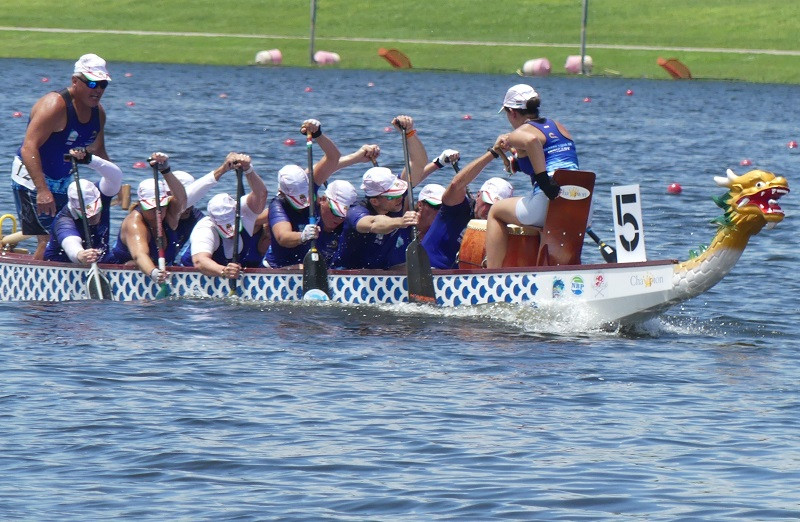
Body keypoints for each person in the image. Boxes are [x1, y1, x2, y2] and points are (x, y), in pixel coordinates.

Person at [11, 53, 112, 259]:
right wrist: (42, 190)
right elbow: (28, 148)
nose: (98, 90)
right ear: (75, 81)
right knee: (48, 238)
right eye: (92, 83)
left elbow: (99, 151)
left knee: (75, 234)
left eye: (103, 84)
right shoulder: (54, 106)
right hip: (31, 179)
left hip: (63, 181)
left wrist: (112, 185)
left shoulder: (98, 113)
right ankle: (34, 285)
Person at [485, 84, 578, 268]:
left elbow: (532, 141)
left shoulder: (519, 133)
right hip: (578, 201)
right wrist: (517, 162)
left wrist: (544, 181)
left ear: (512, 112)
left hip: (548, 201)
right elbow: (547, 155)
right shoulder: (558, 126)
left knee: (495, 212)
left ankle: (491, 275)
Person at [331, 115, 427, 270]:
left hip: (381, 272)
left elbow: (419, 163)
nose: (399, 198)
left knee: (423, 269)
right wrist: (401, 222)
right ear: (375, 201)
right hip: (348, 276)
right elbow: (373, 223)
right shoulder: (356, 212)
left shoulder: (395, 201)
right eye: (392, 195)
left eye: (399, 192)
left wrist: (409, 133)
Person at [420, 138, 514, 269]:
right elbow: (456, 185)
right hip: (425, 271)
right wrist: (493, 153)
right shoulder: (456, 208)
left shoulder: (501, 226)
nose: (489, 210)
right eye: (487, 202)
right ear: (478, 195)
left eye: (495, 207)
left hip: (459, 281)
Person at [263, 119, 344, 268]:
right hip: (281, 267)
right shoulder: (278, 204)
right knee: (303, 267)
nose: (303, 201)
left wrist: (318, 134)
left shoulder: (310, 184)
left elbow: (333, 157)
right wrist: (302, 236)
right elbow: (283, 237)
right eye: (296, 198)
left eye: (305, 194)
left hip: (309, 263)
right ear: (283, 192)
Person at [182, 153, 268, 278]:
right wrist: (223, 271)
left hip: (230, 274)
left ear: (236, 213)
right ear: (214, 222)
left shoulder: (244, 212)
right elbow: (200, 261)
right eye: (224, 227)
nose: (231, 233)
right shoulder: (205, 229)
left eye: (232, 224)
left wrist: (248, 169)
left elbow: (261, 194)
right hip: (194, 277)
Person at [106, 152, 187, 284]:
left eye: (161, 206)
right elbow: (140, 255)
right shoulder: (134, 223)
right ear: (140, 204)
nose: (157, 212)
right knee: (132, 263)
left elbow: (182, 199)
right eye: (151, 208)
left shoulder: (170, 212)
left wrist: (166, 170)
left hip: (163, 272)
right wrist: (154, 273)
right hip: (125, 280)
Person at [42, 147, 122, 263]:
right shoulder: (64, 221)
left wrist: (89, 159)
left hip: (101, 261)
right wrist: (80, 255)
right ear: (75, 209)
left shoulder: (100, 195)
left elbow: (115, 176)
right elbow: (70, 242)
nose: (92, 217)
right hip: (64, 267)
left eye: (95, 211)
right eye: (87, 215)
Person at [170, 168, 225, 264]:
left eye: (192, 200)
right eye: (184, 199)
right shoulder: (157, 215)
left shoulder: (196, 218)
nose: (189, 206)